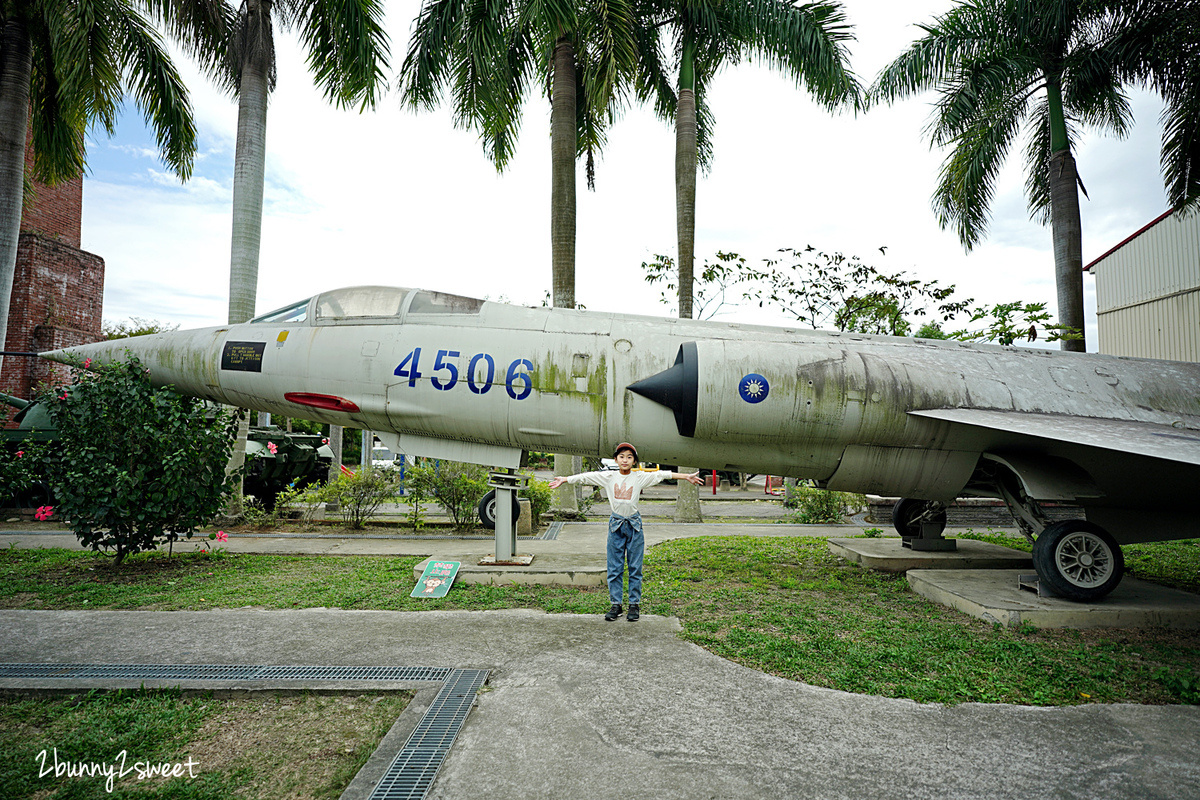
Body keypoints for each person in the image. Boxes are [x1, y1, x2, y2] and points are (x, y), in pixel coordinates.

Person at [549, 443, 703, 621]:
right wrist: (565, 479)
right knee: (614, 568)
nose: (625, 460)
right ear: (616, 459)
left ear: (634, 461)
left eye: (629, 457)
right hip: (615, 526)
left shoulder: (639, 477)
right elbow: (587, 477)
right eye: (622, 456)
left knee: (635, 568)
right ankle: (616, 605)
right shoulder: (608, 476)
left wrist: (686, 476)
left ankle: (634, 605)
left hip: (634, 525)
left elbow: (663, 474)